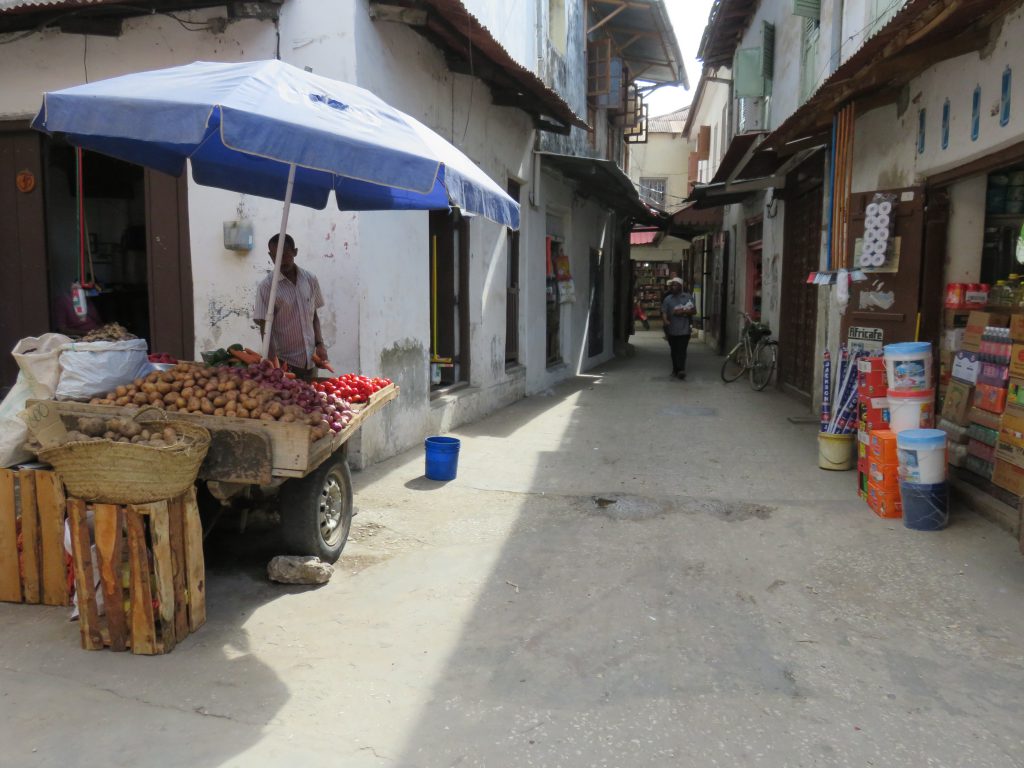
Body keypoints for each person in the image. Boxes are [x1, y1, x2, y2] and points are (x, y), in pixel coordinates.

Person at [254, 234, 328, 382]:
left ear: (295, 252)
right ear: (270, 256)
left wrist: (320, 344)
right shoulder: (267, 287)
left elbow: (313, 316)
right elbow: (264, 327)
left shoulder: (310, 279)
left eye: (285, 254)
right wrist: (272, 363)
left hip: (311, 360)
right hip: (285, 364)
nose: (281, 260)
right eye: (276, 256)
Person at [661, 277, 695, 380]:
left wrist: (683, 312)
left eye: (675, 285)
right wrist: (666, 321)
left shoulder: (687, 297)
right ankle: (675, 369)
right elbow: (664, 312)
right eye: (672, 285)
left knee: (682, 350)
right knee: (674, 350)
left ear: (680, 286)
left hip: (684, 329)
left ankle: (681, 370)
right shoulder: (668, 299)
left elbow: (694, 311)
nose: (673, 287)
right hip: (672, 329)